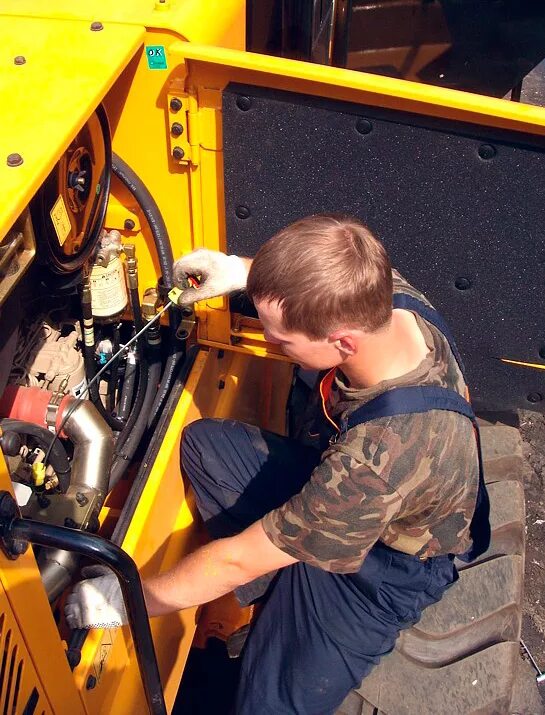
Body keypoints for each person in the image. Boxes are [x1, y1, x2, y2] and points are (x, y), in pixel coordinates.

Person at [66, 214, 489, 715]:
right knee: (206, 448)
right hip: (342, 495)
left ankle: (288, 584)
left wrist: (128, 598)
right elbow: (320, 273)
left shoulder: (377, 461)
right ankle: (280, 572)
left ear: (342, 342)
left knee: (268, 703)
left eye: (282, 340)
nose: (269, 344)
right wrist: (240, 271)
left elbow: (235, 558)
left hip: (387, 567)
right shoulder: (385, 298)